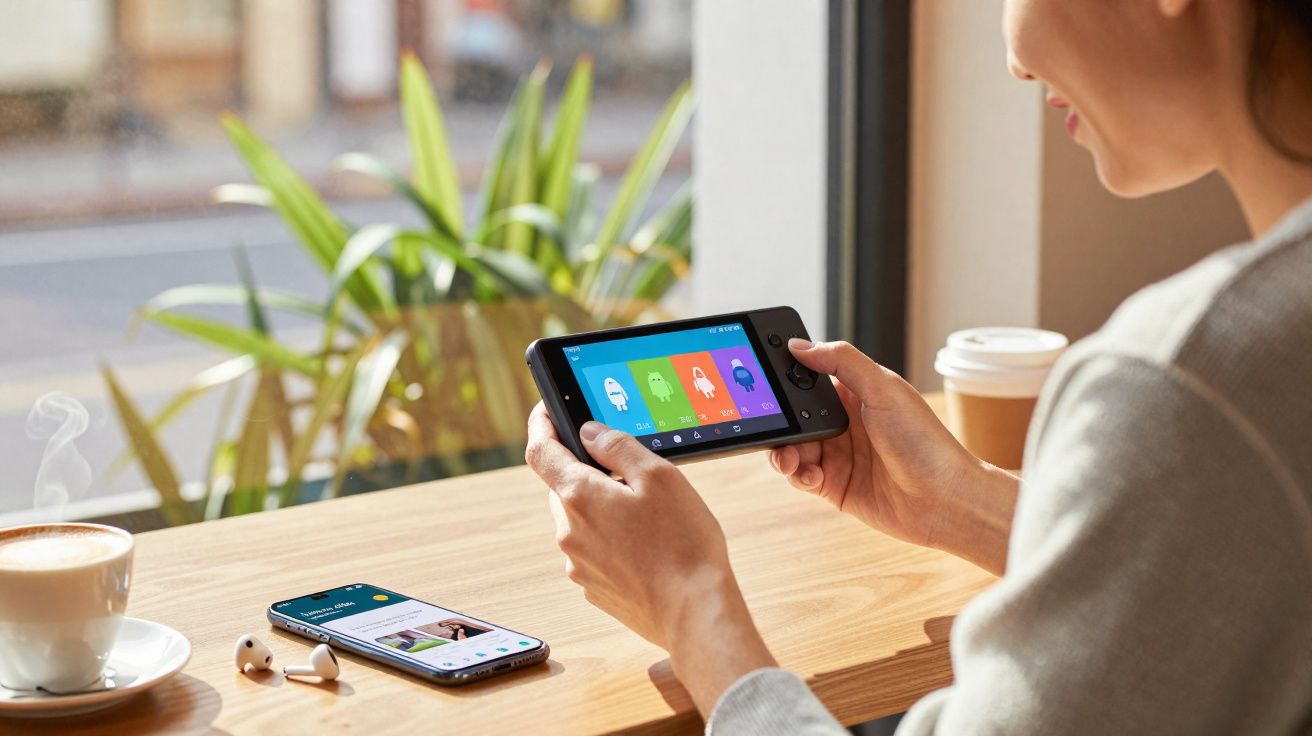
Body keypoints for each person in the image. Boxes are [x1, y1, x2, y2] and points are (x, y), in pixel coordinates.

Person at [525, 0, 1312, 732]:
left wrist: (688, 599)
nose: (1015, 63)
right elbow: (1223, 574)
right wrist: (962, 504)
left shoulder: (1190, 381)